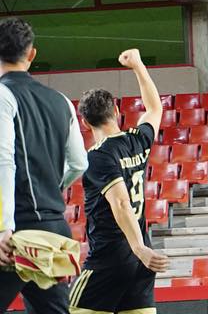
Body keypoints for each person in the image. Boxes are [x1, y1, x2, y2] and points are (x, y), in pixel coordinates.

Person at [70, 50, 169, 314]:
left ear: (84, 122)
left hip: (110, 257)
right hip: (139, 263)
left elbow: (122, 203)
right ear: (116, 110)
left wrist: (138, 248)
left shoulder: (98, 156)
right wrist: (138, 65)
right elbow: (154, 108)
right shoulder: (137, 140)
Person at [0, 18, 88, 314]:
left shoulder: (2, 96)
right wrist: (51, 185)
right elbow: (79, 163)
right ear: (32, 54)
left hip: (15, 233)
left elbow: (4, 161)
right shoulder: (62, 101)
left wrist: (4, 228)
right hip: (53, 230)